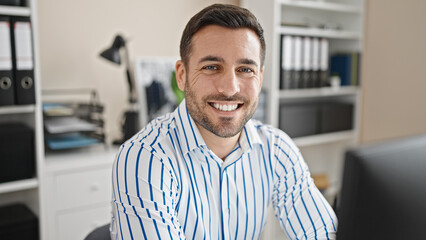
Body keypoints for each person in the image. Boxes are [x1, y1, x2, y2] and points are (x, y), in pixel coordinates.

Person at [110, 4, 337, 240]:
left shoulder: (276, 148)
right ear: (182, 75)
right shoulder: (145, 157)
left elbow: (324, 233)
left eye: (245, 69)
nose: (230, 88)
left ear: (259, 79)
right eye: (211, 67)